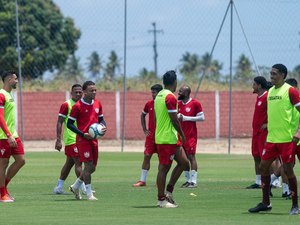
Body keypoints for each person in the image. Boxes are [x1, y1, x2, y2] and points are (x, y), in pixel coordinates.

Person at [248, 64, 300, 215]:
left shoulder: (290, 91)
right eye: (270, 73)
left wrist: (298, 131)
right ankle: (266, 203)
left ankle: (295, 205)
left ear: (283, 75)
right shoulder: (270, 92)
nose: (271, 76)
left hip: (286, 140)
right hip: (271, 139)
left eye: (275, 73)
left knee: (288, 170)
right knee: (263, 167)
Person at [154, 70, 189, 208]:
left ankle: (169, 191)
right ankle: (161, 199)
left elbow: (158, 117)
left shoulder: (159, 96)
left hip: (169, 137)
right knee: (164, 168)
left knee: (184, 162)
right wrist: (183, 134)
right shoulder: (170, 97)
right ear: (175, 82)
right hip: (166, 138)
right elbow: (174, 120)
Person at [67, 81, 106, 201]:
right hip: (83, 140)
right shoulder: (77, 106)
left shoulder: (98, 104)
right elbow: (69, 124)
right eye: (91, 90)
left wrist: (103, 127)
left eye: (95, 90)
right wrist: (82, 134)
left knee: (92, 168)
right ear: (84, 92)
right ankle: (89, 194)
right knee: (88, 165)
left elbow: (101, 119)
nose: (94, 92)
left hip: (94, 140)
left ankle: (75, 186)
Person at [53, 84, 85, 194]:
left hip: (81, 138)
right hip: (72, 139)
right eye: (76, 92)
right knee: (79, 163)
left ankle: (58, 187)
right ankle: (84, 188)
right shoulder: (66, 105)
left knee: (69, 163)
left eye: (80, 92)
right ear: (71, 93)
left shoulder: (83, 104)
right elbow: (59, 122)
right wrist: (58, 139)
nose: (78, 94)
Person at [0, 71, 25, 202]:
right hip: (3, 136)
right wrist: (8, 135)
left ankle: (3, 189)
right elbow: (0, 116)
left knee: (21, 160)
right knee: (3, 164)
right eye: (15, 79)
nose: (17, 81)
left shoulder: (9, 95)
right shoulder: (1, 94)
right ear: (9, 79)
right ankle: (3, 194)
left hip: (12, 135)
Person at [132, 84, 163, 187]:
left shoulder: (164, 103)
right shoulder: (149, 104)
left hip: (161, 136)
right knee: (147, 156)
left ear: (159, 93)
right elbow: (143, 115)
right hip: (151, 136)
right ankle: (142, 180)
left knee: (161, 158)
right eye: (152, 92)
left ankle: (159, 181)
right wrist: (144, 129)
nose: (152, 94)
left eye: (154, 92)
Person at [177, 85, 205, 188]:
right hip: (180, 136)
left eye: (181, 92)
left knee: (191, 157)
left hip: (191, 136)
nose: (178, 93)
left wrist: (185, 118)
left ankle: (194, 181)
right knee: (183, 159)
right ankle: (188, 180)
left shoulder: (195, 103)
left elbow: (202, 118)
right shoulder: (177, 104)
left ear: (187, 93)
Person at [246, 76, 269, 189]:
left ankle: (273, 181)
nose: (252, 86)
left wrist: (268, 124)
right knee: (256, 156)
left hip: (264, 133)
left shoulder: (267, 97)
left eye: (254, 84)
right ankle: (258, 181)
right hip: (256, 132)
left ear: (259, 85)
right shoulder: (259, 97)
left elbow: (274, 113)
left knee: (266, 158)